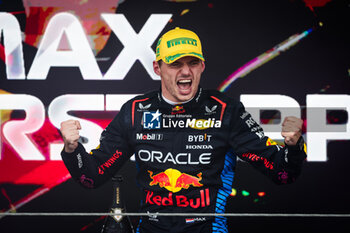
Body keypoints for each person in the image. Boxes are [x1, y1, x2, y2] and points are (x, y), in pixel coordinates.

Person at [60, 27, 306, 233]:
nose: (185, 71)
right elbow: (91, 178)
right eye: (176, 63)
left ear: (202, 67)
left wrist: (293, 147)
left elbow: (282, 174)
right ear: (158, 68)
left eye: (193, 63)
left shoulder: (226, 111)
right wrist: (72, 150)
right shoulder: (135, 111)